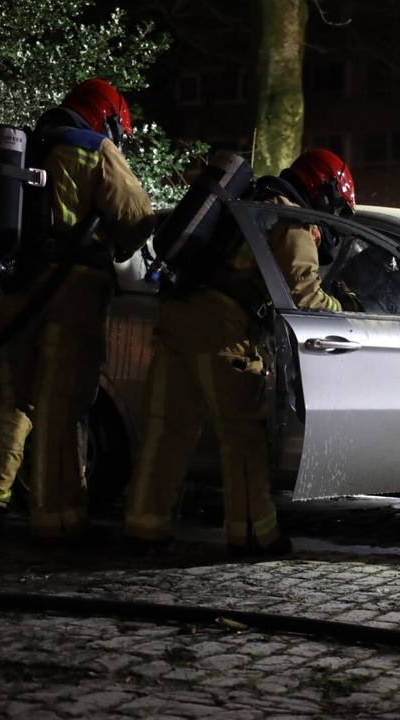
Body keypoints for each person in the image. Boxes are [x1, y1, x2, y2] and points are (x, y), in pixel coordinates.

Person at [123, 148, 355, 557]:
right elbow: (305, 297)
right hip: (222, 327)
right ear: (322, 190)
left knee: (167, 431)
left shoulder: (248, 202)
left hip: (177, 314)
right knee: (242, 436)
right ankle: (252, 534)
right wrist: (347, 309)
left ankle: (144, 527)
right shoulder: (290, 220)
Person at [0, 79, 156, 541]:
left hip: (15, 289)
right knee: (61, 402)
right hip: (72, 290)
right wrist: (115, 243)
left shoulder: (27, 148)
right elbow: (138, 216)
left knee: (10, 401)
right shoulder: (94, 147)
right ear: (106, 118)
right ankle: (60, 517)